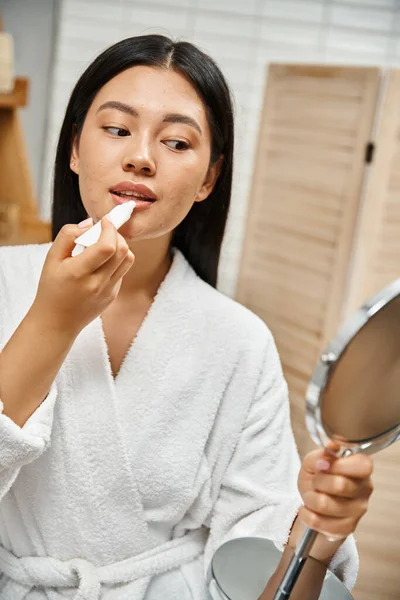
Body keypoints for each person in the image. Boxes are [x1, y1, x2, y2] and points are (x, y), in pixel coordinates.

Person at [0, 35, 373, 600]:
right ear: (74, 148)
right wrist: (51, 323)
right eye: (117, 129)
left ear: (208, 179)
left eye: (176, 141)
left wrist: (314, 539)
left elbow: (268, 579)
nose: (142, 156)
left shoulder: (240, 342)